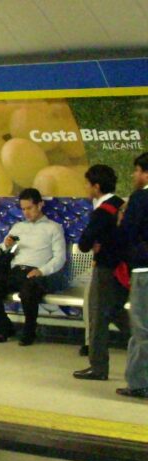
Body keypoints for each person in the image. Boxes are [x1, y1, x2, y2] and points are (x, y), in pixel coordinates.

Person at [0, 188, 66, 346]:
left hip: (37, 272)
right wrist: (6, 245)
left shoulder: (53, 228)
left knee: (28, 292)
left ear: (40, 205)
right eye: (23, 209)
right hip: (16, 270)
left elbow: (60, 258)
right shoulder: (18, 227)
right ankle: (5, 328)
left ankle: (29, 332)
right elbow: (2, 251)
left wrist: (41, 271)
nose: (26, 213)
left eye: (30, 208)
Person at [73, 165, 130, 380]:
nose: (86, 188)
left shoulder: (103, 211)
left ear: (96, 186)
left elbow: (85, 243)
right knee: (115, 311)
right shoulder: (122, 205)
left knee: (97, 317)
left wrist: (97, 243)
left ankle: (98, 366)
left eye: (88, 184)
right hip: (124, 269)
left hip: (106, 269)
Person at [117, 152, 148, 398]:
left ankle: (139, 382)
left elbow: (127, 233)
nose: (134, 175)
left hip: (144, 271)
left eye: (137, 171)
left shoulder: (140, 198)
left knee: (141, 328)